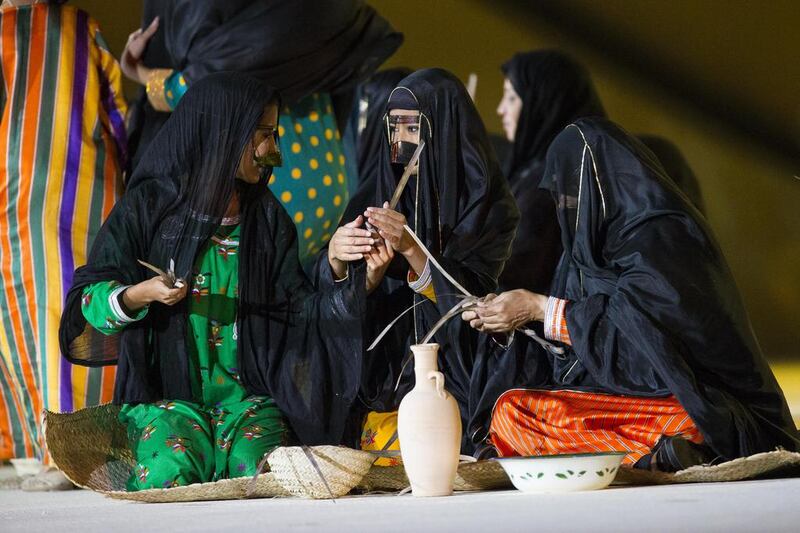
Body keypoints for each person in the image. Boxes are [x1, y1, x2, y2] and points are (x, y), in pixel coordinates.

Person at [59, 74, 370, 490]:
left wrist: (335, 263)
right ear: (226, 134)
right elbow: (87, 301)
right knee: (173, 469)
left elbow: (297, 317)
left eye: (273, 135)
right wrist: (140, 294)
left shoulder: (268, 220)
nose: (272, 151)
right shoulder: (149, 208)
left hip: (247, 405)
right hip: (167, 402)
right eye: (262, 136)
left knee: (264, 473)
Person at [462, 117, 798, 470]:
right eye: (560, 198)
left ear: (600, 183)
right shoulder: (585, 252)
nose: (566, 207)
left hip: (696, 403)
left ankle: (675, 448)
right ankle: (656, 455)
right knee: (513, 413)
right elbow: (577, 364)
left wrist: (542, 309)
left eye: (573, 194)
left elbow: (653, 363)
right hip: (627, 406)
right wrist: (510, 323)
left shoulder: (664, 240)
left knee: (693, 419)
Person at [321, 68, 520, 455]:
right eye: (393, 128)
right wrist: (344, 265)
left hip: (460, 369)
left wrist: (414, 251)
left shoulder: (488, 207)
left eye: (411, 129)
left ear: (442, 129)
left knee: (440, 443)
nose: (399, 142)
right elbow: (337, 304)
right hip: (384, 373)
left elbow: (472, 301)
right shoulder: (376, 190)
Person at [120, 0, 402, 267]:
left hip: (261, 217)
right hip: (325, 204)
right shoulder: (312, 17)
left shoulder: (243, 37)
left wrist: (139, 71)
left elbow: (198, 91)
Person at [0, 0, 127, 490]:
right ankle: (72, 449)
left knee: (22, 322)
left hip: (15, 193)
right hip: (81, 189)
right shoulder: (75, 24)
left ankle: (41, 449)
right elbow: (116, 110)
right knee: (70, 315)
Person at [496, 50, 605, 294]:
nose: (501, 109)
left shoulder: (555, 182)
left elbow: (516, 270)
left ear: (544, 102)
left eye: (512, 98)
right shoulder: (531, 171)